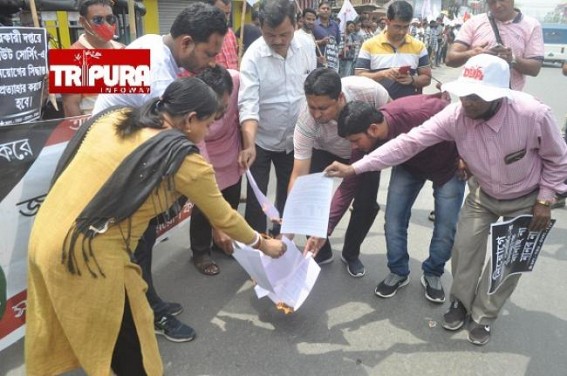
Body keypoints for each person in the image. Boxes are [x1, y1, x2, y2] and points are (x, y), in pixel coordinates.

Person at [25, 77, 287, 376]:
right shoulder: (184, 159)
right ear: (190, 120)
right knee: (130, 345)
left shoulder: (118, 118)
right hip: (86, 254)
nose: (208, 131)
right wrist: (264, 244)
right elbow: (224, 217)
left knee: (78, 328)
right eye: (209, 123)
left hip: (45, 234)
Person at [324, 54, 567, 346]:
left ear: (500, 96)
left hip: (526, 198)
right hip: (483, 194)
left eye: (476, 97)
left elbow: (558, 159)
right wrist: (354, 168)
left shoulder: (533, 115)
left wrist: (545, 198)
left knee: (506, 263)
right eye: (464, 94)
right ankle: (460, 304)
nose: (467, 102)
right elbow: (408, 143)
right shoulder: (456, 116)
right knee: (463, 250)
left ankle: (483, 317)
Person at [93, 2, 227, 342]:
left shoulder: (153, 43)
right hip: (114, 166)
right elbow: (180, 142)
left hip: (123, 158)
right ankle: (144, 316)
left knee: (143, 241)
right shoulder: (157, 75)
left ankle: (148, 302)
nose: (212, 62)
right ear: (185, 42)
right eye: (209, 54)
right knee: (134, 245)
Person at [334, 95, 465, 302]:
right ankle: (399, 271)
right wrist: (324, 229)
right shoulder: (369, 135)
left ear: (373, 129)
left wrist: (466, 156)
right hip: (409, 167)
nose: (355, 147)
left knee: (446, 225)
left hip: (448, 167)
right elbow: (350, 181)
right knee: (394, 220)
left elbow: (465, 123)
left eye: (356, 141)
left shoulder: (424, 111)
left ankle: (433, 273)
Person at [290, 67, 390, 276]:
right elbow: (299, 173)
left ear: (340, 97)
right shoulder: (307, 120)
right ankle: (320, 248)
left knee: (365, 203)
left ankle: (351, 254)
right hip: (324, 150)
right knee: (310, 195)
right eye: (312, 107)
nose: (316, 114)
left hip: (365, 152)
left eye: (323, 108)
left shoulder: (370, 92)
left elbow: (389, 121)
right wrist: (290, 222)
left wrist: (376, 154)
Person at [239, 0, 316, 237]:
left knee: (290, 190)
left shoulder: (305, 45)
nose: (278, 41)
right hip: (261, 139)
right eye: (270, 35)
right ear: (260, 27)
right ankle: (258, 244)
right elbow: (248, 104)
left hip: (295, 137)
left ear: (296, 24)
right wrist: (249, 144)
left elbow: (311, 86)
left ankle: (282, 237)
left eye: (284, 34)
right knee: (257, 197)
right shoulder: (253, 57)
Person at [189, 66, 243, 275]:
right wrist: (217, 226)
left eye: (223, 106)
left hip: (230, 146)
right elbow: (202, 160)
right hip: (206, 150)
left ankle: (223, 242)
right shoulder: (194, 107)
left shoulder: (236, 81)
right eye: (214, 110)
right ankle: (200, 252)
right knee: (206, 201)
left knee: (231, 197)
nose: (219, 114)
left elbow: (246, 110)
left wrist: (247, 146)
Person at [445, 0, 543, 91]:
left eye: (502, 0)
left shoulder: (531, 25)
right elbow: (450, 60)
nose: (497, 6)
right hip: (474, 98)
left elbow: (535, 69)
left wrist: (512, 59)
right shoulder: (473, 23)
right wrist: (472, 54)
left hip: (509, 98)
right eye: (492, 2)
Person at [355, 1, 431, 99]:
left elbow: (427, 78)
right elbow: (359, 77)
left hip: (407, 108)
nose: (402, 32)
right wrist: (382, 74)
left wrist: (412, 80)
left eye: (406, 27)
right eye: (397, 26)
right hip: (377, 108)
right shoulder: (369, 45)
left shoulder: (419, 46)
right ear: (387, 22)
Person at [63, 0, 124, 117]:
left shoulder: (124, 50)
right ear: (83, 22)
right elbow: (70, 106)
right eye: (98, 20)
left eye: (110, 19)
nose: (106, 25)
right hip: (93, 127)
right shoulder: (69, 58)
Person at [206, 0, 239, 70]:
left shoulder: (231, 34)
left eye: (227, 14)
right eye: (220, 13)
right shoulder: (202, 35)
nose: (224, 17)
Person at [313, 1, 341, 71]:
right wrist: (321, 42)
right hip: (318, 63)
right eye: (323, 8)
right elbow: (308, 42)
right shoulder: (313, 25)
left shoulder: (335, 25)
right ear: (318, 10)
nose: (326, 10)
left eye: (328, 9)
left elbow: (337, 42)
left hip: (332, 64)